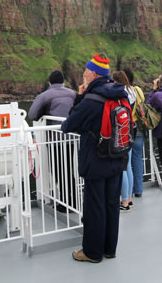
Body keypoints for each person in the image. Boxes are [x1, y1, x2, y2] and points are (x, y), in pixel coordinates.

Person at [61, 54, 127, 263]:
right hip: (117, 158)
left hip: (96, 160)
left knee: (94, 207)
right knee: (111, 205)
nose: (83, 75)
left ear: (93, 74)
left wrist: (79, 97)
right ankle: (109, 248)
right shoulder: (120, 95)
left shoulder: (91, 100)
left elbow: (68, 125)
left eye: (85, 73)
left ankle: (92, 252)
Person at [28, 70, 77, 211]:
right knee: (68, 169)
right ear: (63, 81)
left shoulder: (45, 96)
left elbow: (32, 114)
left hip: (55, 139)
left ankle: (65, 203)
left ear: (50, 81)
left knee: (58, 170)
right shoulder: (72, 94)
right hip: (71, 137)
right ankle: (72, 199)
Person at [112, 70, 135, 212]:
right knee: (129, 166)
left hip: (121, 132)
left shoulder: (120, 95)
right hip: (130, 128)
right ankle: (129, 198)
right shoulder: (132, 92)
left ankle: (124, 201)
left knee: (123, 168)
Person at [123, 67, 145, 199]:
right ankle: (139, 189)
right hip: (140, 127)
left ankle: (127, 192)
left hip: (128, 128)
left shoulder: (124, 92)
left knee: (127, 161)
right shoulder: (139, 90)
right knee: (137, 159)